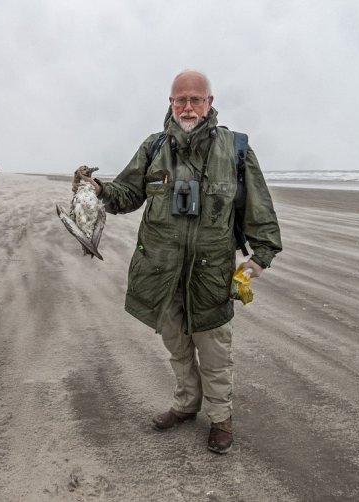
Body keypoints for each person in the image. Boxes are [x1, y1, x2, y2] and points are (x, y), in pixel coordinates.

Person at [74, 70, 282, 454]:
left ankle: (220, 417)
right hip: (161, 272)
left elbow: (259, 207)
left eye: (195, 99)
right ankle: (187, 405)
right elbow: (126, 194)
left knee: (215, 351)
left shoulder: (236, 150)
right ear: (170, 103)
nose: (187, 107)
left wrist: (260, 257)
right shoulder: (154, 147)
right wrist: (97, 188)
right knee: (178, 347)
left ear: (210, 103)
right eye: (179, 99)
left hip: (211, 275)